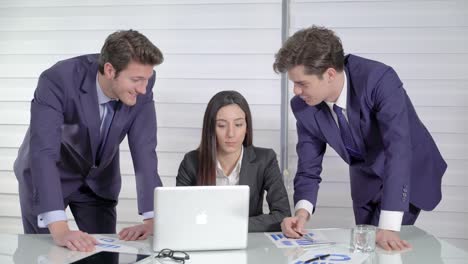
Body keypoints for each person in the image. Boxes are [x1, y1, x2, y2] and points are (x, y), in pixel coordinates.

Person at [273, 26, 447, 251]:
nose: (296, 91)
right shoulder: (303, 106)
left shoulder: (379, 80)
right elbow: (308, 167)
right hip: (365, 178)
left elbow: (399, 148)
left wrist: (389, 225)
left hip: (408, 171)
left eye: (302, 83)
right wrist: (301, 213)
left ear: (329, 74)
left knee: (385, 245)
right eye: (293, 83)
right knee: (364, 247)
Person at [14, 29, 164, 251]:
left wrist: (153, 219)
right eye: (136, 80)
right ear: (110, 70)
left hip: (98, 182)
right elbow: (44, 152)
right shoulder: (57, 80)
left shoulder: (143, 84)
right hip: (50, 174)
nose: (143, 89)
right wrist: (60, 229)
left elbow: (145, 150)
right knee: (45, 253)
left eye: (147, 79)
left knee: (102, 254)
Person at [176, 90, 291, 232]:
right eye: (222, 126)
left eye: (238, 125)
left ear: (247, 127)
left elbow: (282, 215)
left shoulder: (265, 159)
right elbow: (180, 215)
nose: (231, 134)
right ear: (210, 129)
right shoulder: (191, 162)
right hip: (205, 240)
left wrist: (231, 224)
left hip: (248, 242)